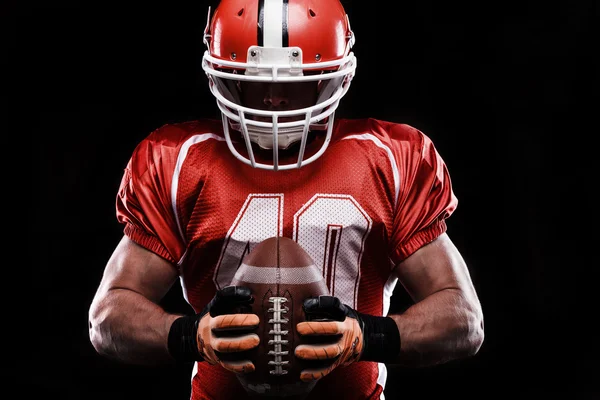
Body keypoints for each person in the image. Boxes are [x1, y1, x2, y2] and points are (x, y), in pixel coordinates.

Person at [88, 0, 485, 399]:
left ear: (331, 77)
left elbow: (464, 318)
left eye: (294, 81)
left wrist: (367, 336)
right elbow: (108, 316)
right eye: (256, 79)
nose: (274, 99)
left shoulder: (390, 160)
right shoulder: (181, 161)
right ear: (226, 76)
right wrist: (191, 336)